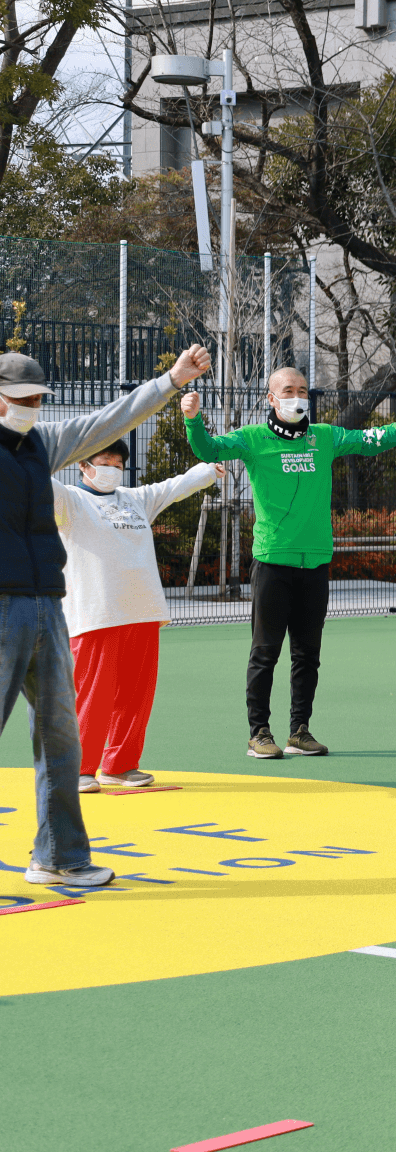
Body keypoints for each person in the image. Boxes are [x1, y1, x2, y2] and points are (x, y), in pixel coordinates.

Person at [0, 345, 212, 889]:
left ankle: (60, 856)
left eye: (38, 398)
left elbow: (106, 420)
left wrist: (169, 381)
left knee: (61, 740)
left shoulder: (39, 444)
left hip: (48, 604)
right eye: (20, 399)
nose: (31, 407)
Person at [183, 367, 396, 760]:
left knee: (307, 653)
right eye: (288, 390)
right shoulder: (254, 439)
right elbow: (208, 449)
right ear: (271, 398)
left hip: (316, 563)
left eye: (303, 390)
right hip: (273, 562)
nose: (297, 396)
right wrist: (192, 419)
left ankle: (299, 730)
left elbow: (373, 439)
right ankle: (259, 733)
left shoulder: (325, 437)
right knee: (265, 651)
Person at [53, 437, 222, 791]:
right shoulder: (69, 500)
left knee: (135, 694)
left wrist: (208, 471)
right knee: (92, 696)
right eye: (104, 462)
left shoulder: (135, 500)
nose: (112, 470)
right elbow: (34, 476)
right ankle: (79, 769)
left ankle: (121, 764)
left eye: (118, 465)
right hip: (95, 615)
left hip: (142, 611)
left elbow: (174, 487)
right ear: (83, 465)